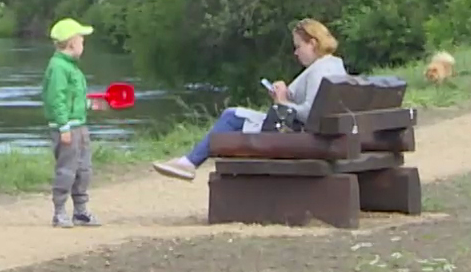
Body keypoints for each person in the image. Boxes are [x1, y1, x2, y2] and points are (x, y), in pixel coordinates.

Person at [152, 19, 346, 182]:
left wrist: (282, 102)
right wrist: (286, 96)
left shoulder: (320, 71)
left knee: (231, 116)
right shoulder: (335, 65)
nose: (295, 53)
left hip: (299, 136)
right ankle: (190, 161)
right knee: (234, 119)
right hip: (318, 135)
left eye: (298, 47)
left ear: (312, 43)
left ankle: (190, 163)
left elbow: (310, 112)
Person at [42, 18, 104, 228]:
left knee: (83, 169)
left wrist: (91, 105)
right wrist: (63, 127)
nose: (83, 45)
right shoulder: (59, 68)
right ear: (71, 43)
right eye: (81, 41)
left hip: (80, 125)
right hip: (67, 128)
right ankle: (59, 212)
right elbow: (56, 99)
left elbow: (74, 97)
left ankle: (80, 211)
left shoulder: (72, 68)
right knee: (66, 170)